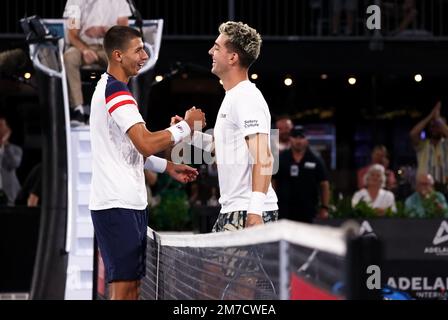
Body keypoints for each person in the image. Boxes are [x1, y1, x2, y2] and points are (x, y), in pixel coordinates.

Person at [88, 26, 205, 300]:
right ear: (117, 55)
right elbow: (144, 142)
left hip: (125, 205)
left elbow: (129, 150)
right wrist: (186, 127)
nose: (144, 55)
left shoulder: (112, 89)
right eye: (138, 49)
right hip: (118, 206)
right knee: (124, 289)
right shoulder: (116, 92)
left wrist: (167, 167)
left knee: (132, 288)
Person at [172, 21, 278, 231]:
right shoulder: (234, 96)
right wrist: (191, 135)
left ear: (233, 57)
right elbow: (224, 147)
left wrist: (255, 212)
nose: (211, 51)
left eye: (217, 47)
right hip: (234, 210)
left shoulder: (246, 97)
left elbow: (264, 157)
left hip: (247, 211)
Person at [63, 0, 132, 126]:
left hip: (109, 47)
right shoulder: (74, 2)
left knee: (123, 59)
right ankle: (78, 110)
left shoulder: (120, 2)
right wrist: (85, 50)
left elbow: (124, 31)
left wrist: (108, 32)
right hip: (83, 46)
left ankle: (116, 109)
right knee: (69, 57)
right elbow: (72, 34)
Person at [273, 125, 330, 223]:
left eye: (301, 137)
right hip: (284, 211)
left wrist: (324, 207)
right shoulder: (281, 158)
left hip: (308, 211)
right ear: (290, 139)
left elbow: (324, 184)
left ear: (307, 139)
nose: (298, 141)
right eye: (295, 137)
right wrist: (272, 203)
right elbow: (273, 180)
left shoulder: (315, 159)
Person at [410, 101, 448, 203]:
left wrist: (438, 120)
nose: (435, 128)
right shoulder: (423, 145)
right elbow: (413, 134)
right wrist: (430, 117)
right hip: (426, 187)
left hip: (446, 187)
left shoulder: (446, 144)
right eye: (432, 126)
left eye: (438, 126)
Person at [0, 116, 23, 206]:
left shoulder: (15, 149)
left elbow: (14, 163)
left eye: (1, 125)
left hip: (9, 196)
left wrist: (4, 143)